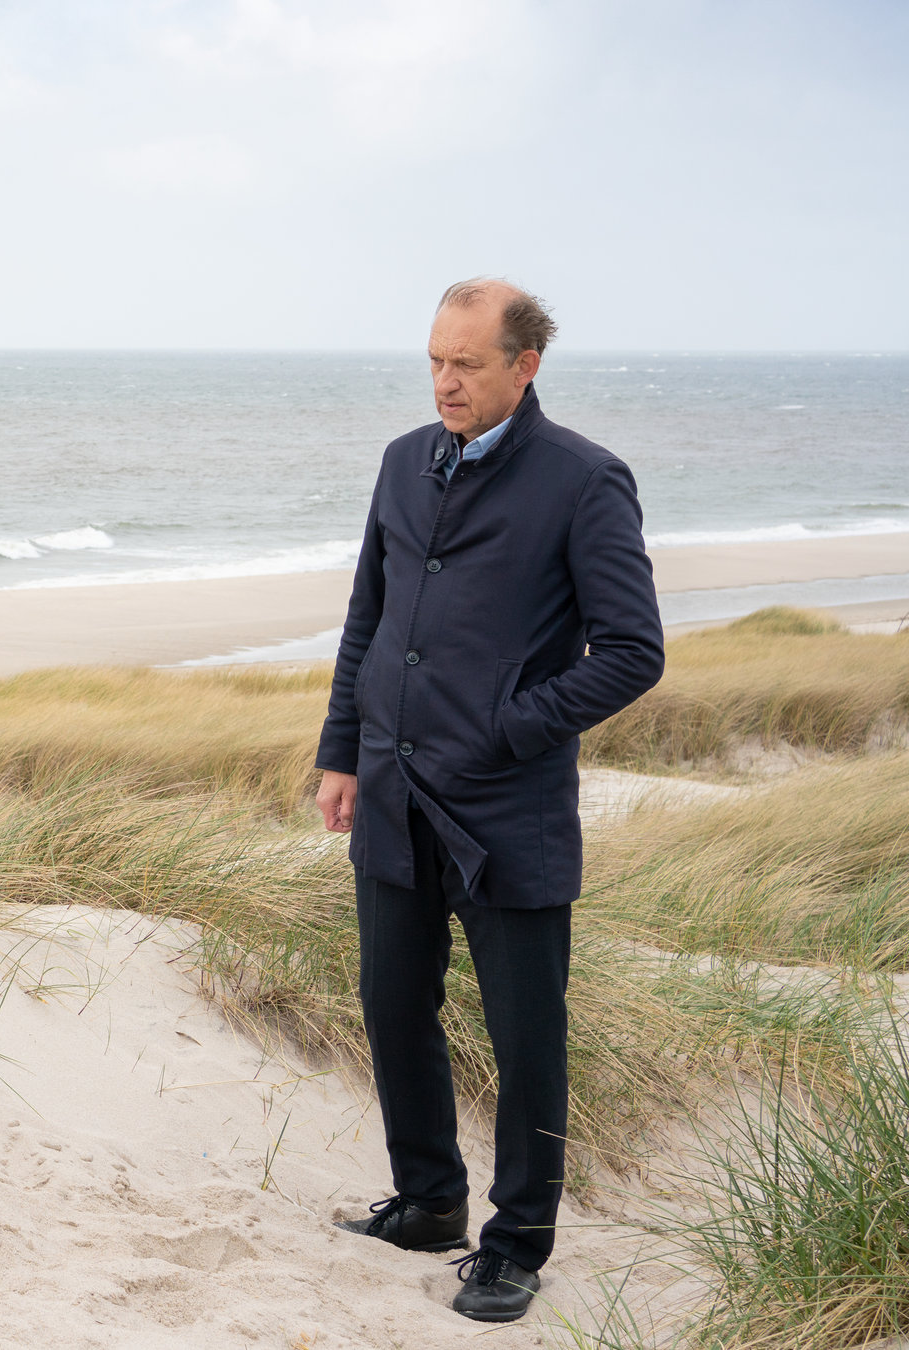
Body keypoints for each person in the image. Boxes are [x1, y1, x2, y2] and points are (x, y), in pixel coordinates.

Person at [316, 280, 664, 1322]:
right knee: (390, 1004)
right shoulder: (400, 462)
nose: (445, 381)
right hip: (391, 792)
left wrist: (510, 726)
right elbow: (366, 619)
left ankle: (516, 1244)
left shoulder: (584, 480)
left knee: (525, 1036)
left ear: (526, 365)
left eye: (466, 363)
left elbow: (633, 653)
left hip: (507, 811)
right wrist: (343, 750)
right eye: (434, 359)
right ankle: (428, 1202)